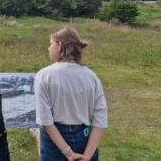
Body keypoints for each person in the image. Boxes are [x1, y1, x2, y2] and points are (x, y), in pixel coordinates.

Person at [34, 27, 108, 161]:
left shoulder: (44, 75)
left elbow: (46, 120)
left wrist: (68, 153)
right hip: (85, 140)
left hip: (55, 143)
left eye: (50, 43)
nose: (48, 48)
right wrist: (87, 157)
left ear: (59, 44)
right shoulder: (92, 77)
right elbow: (99, 121)